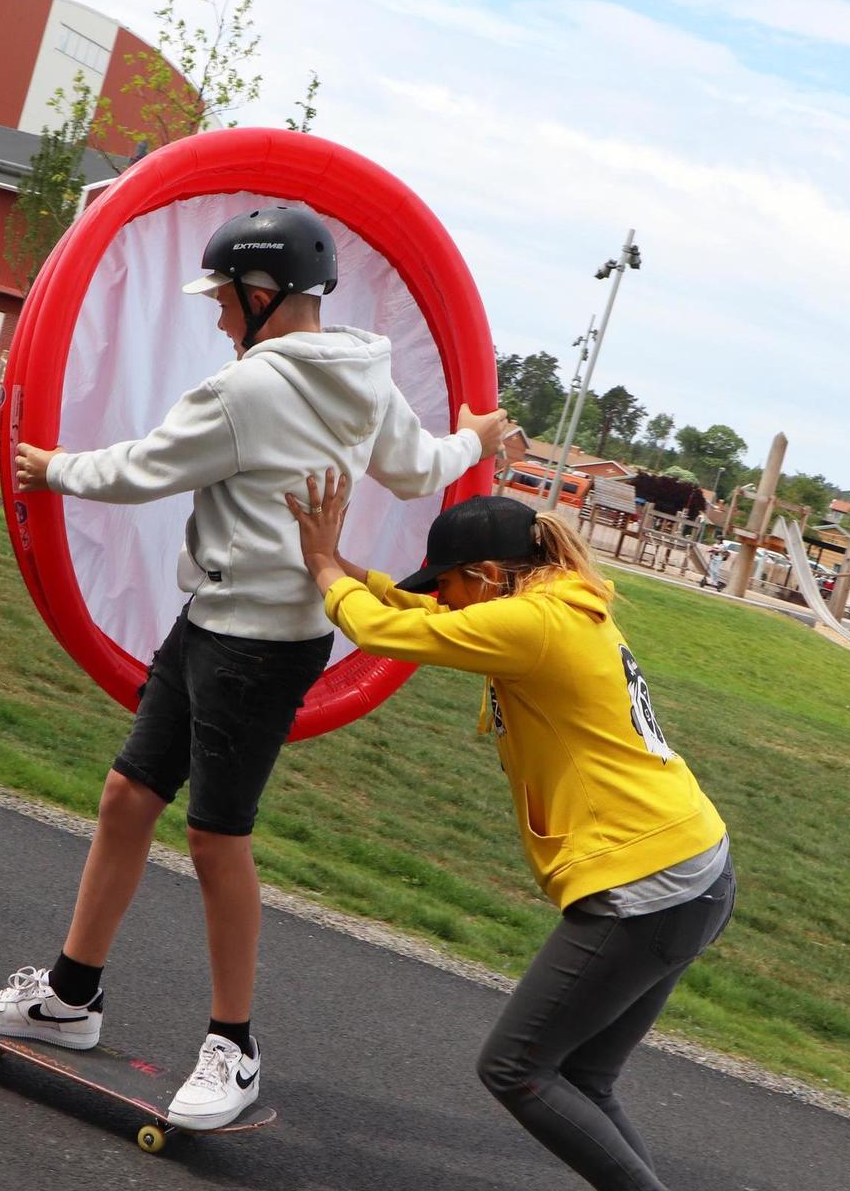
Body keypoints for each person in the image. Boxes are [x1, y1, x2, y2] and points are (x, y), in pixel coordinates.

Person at [0, 205, 508, 1130]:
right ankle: (70, 997)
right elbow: (418, 471)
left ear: (261, 297)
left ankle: (234, 1048)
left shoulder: (242, 391)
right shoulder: (364, 379)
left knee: (218, 838)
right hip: (221, 625)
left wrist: (50, 469)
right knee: (129, 798)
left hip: (253, 648)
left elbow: (142, 468)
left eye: (221, 299)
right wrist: (476, 443)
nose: (215, 317)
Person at [289, 485, 733, 1190]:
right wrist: (349, 570)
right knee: (583, 1075)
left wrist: (321, 569)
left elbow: (387, 634)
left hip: (646, 882)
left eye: (450, 584)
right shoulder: (556, 605)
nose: (444, 598)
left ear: (490, 577)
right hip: (690, 866)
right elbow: (427, 616)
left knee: (517, 1069)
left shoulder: (533, 624)